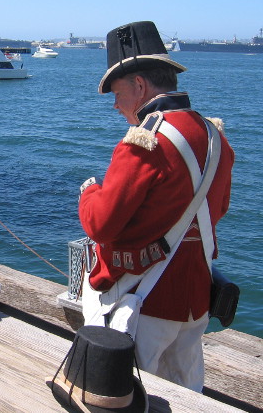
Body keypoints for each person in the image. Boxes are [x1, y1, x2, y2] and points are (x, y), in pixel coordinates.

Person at [78, 21, 234, 392]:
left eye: (117, 94)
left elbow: (100, 224)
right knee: (185, 395)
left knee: (127, 394)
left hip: (144, 300)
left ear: (140, 86)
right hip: (194, 300)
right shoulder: (216, 137)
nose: (115, 106)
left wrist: (89, 192)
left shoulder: (142, 142)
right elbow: (219, 210)